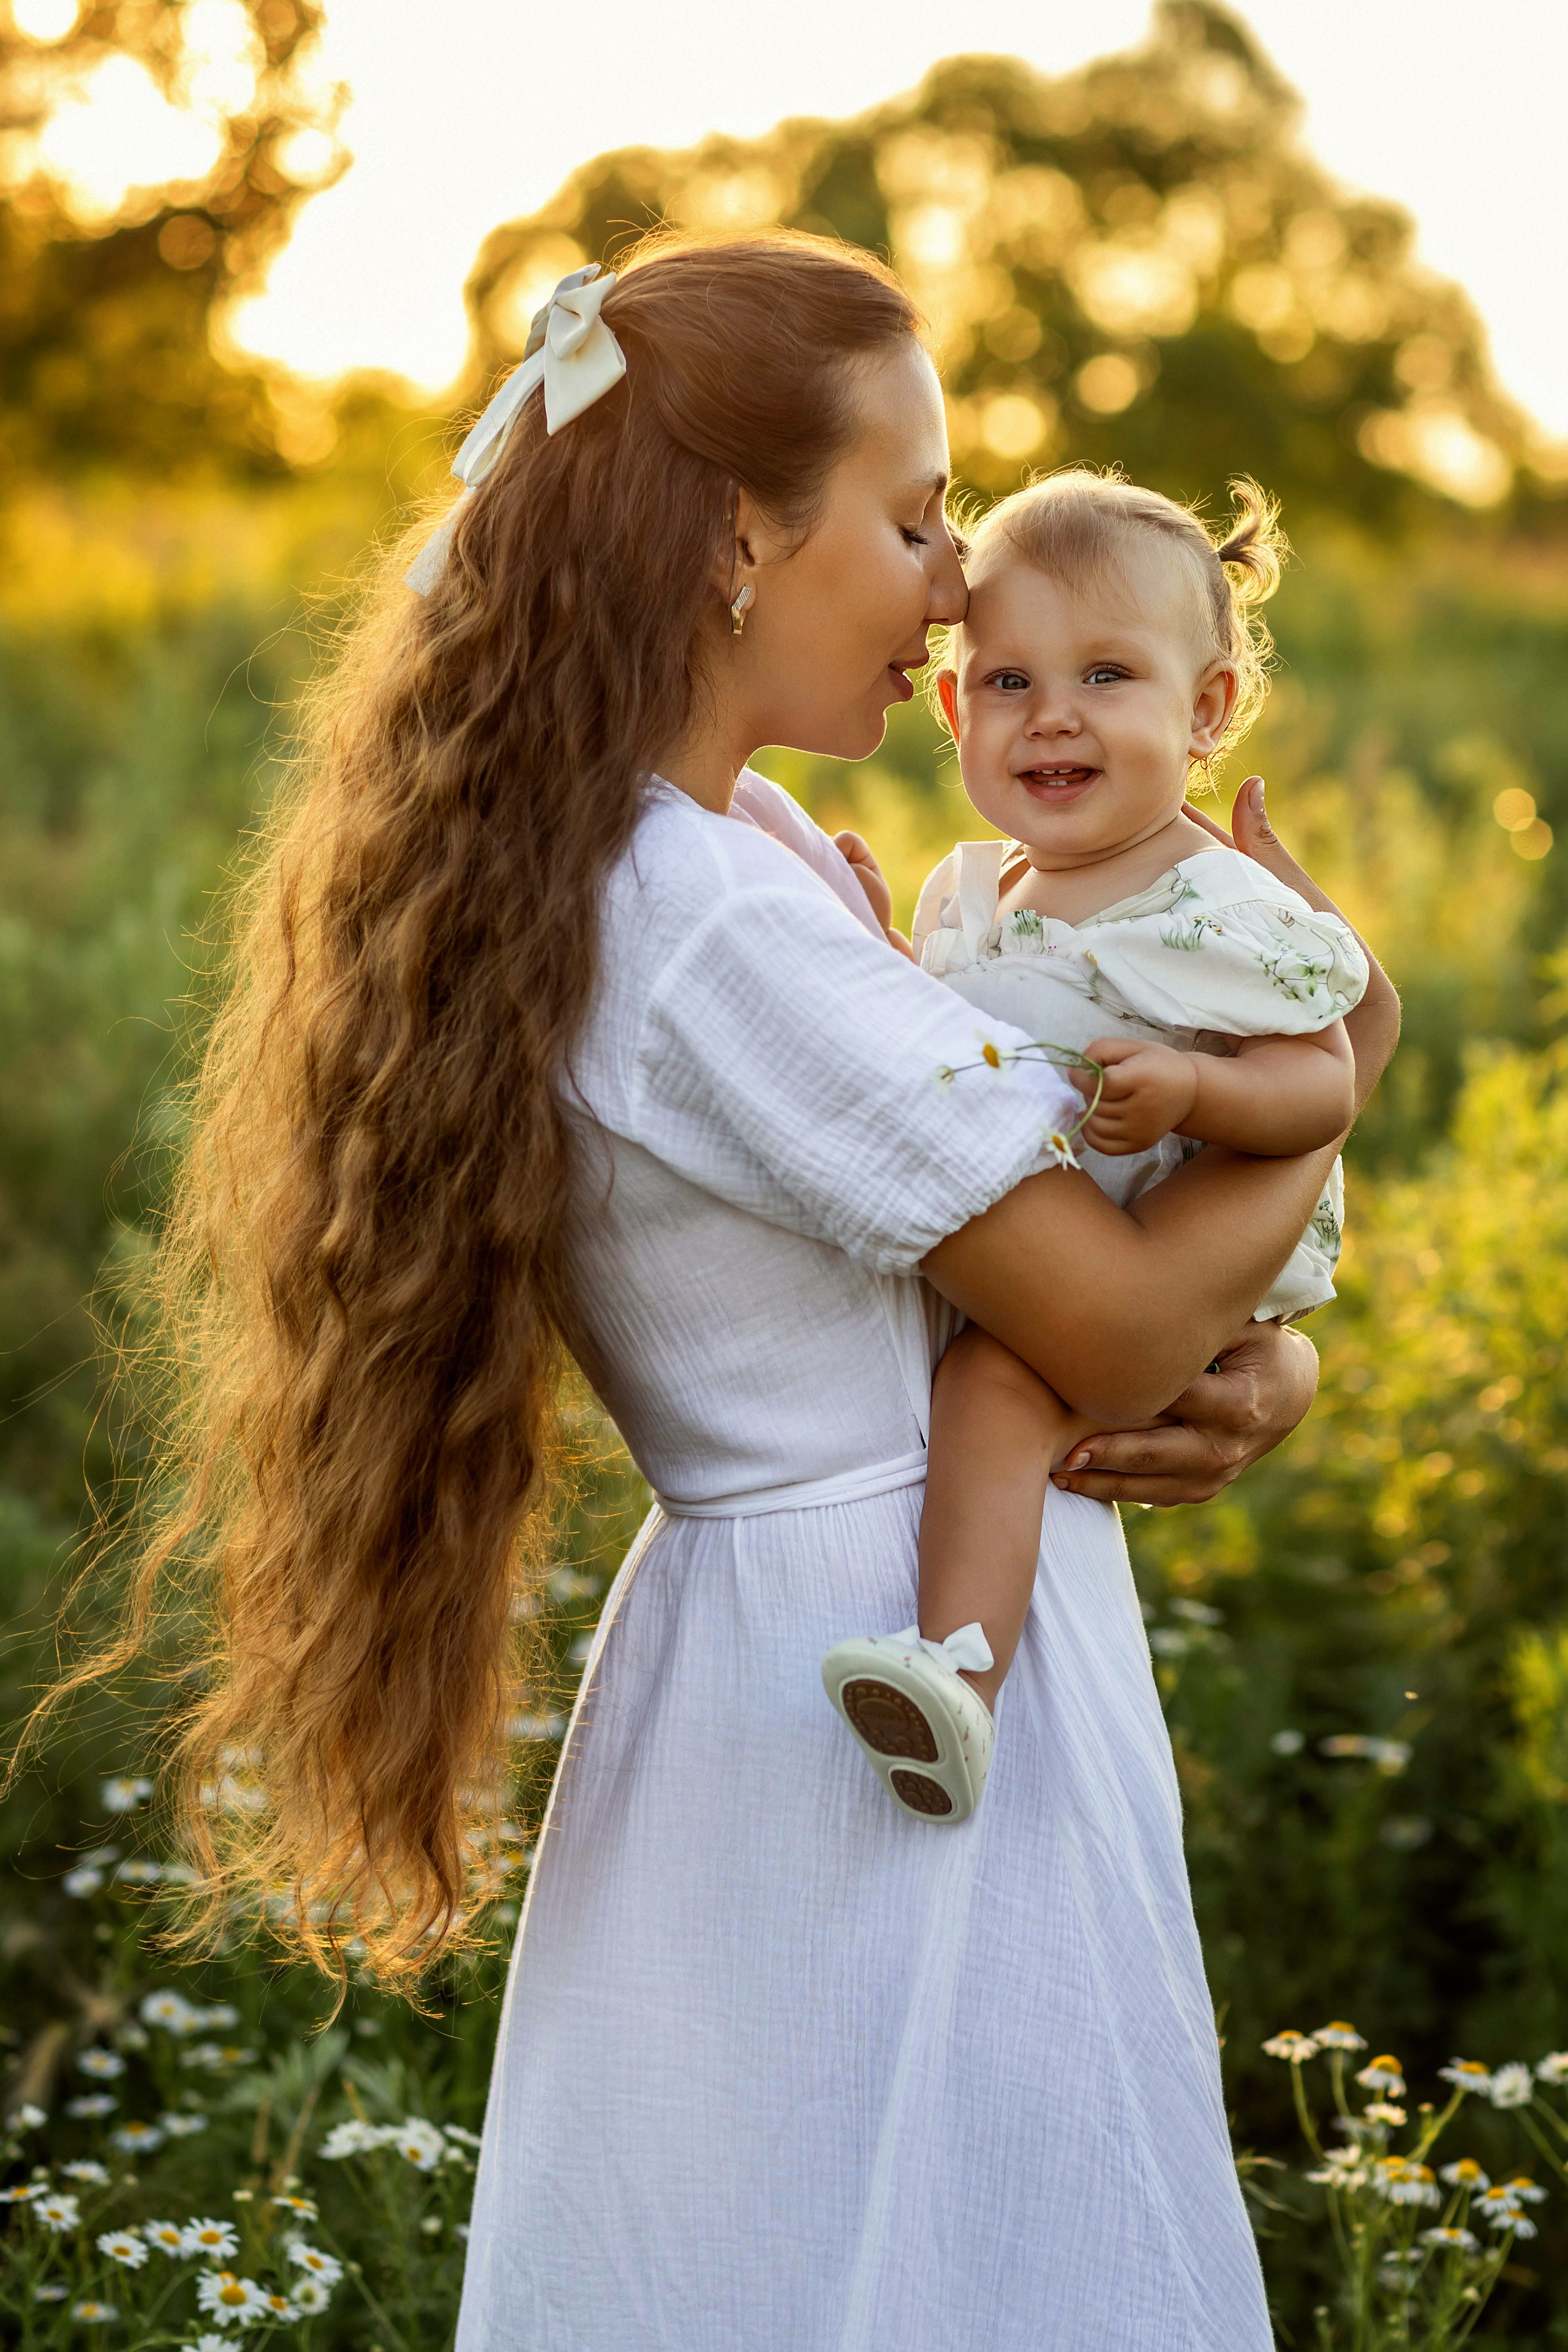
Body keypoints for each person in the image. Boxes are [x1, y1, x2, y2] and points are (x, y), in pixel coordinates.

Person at [131, 231, 1396, 2349]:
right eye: (915, 520)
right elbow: (1097, 1323)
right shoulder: (709, 915)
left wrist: (1253, 1370)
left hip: (879, 1626)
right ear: (738, 535)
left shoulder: (765, 862)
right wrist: (1328, 1080)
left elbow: (1094, 1317)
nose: (953, 586)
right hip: (864, 1670)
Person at [821, 469, 1392, 1825]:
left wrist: (1197, 1090)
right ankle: (958, 1663)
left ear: (1203, 713)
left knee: (998, 1396)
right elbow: (961, 1052)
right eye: (1008, 681)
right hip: (1066, 1242)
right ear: (953, 711)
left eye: (1107, 675)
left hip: (1170, 1259)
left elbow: (1323, 1084)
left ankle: (955, 1672)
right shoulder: (969, 893)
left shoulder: (1204, 903)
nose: (1053, 714)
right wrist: (872, 959)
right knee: (990, 1389)